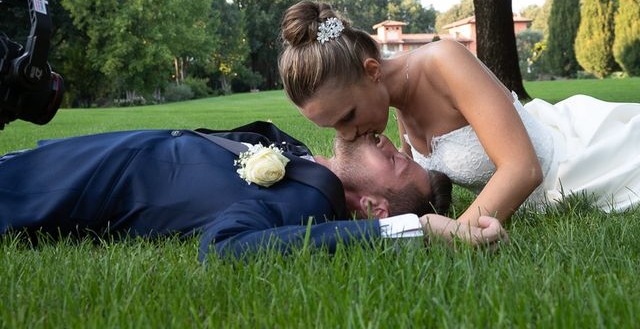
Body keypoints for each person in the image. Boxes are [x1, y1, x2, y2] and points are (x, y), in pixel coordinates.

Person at [278, 0, 640, 225]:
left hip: (577, 170)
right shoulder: (397, 103)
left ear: (372, 72)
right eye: (334, 127)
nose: (347, 135)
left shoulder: (444, 61)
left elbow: (522, 168)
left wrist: (460, 233)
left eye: (347, 117)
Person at [0, 121, 506, 259]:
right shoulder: (313, 172)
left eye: (393, 162)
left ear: (374, 207)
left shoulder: (309, 201)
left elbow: (225, 248)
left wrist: (412, 229)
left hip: (57, 186)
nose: (386, 143)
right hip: (71, 159)